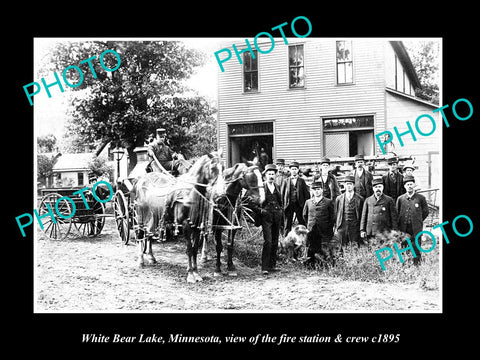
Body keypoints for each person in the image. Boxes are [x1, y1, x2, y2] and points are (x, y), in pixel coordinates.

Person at [396, 175, 429, 265]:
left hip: (416, 227)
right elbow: (397, 212)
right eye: (407, 184)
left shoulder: (421, 198)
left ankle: (416, 263)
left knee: (416, 245)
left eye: (411, 184)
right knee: (404, 244)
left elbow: (426, 211)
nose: (409, 186)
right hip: (404, 227)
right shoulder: (400, 199)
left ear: (414, 185)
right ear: (404, 186)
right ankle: (405, 263)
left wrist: (418, 220)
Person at [303, 181, 336, 266]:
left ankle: (326, 264)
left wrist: (328, 227)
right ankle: (311, 264)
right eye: (314, 190)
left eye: (318, 189)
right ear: (312, 191)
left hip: (324, 229)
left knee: (324, 247)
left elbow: (332, 217)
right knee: (311, 247)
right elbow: (305, 215)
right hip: (312, 230)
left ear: (322, 190)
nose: (316, 191)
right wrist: (310, 225)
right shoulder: (308, 202)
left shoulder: (328, 202)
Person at [258, 164, 284, 275]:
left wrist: (281, 211)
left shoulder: (277, 186)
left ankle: (272, 265)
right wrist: (261, 211)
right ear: (265, 176)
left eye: (273, 174)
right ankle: (264, 267)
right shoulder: (261, 187)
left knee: (274, 241)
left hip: (277, 216)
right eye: (269, 174)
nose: (271, 176)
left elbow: (280, 201)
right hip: (266, 217)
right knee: (267, 241)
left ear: (275, 175)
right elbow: (250, 200)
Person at [334, 175, 365, 248]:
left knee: (354, 247)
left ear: (354, 185)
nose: (348, 186)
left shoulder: (360, 199)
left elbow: (362, 215)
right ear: (344, 185)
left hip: (354, 227)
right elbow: (336, 213)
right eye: (347, 184)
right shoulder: (339, 198)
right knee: (341, 247)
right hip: (342, 226)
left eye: (350, 184)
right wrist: (336, 226)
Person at [281, 161, 310, 236]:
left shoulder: (301, 181)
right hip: (289, 204)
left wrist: (306, 205)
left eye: (295, 169)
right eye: (292, 169)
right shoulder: (286, 181)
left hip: (299, 205)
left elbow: (306, 194)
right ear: (290, 170)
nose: (294, 171)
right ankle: (286, 239)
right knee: (287, 223)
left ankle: (304, 237)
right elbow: (282, 194)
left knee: (302, 222)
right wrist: (283, 205)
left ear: (298, 170)